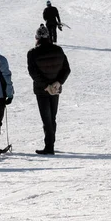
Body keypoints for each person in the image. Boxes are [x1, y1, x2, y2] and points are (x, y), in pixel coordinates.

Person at [27, 24, 71, 155]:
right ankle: (50, 143)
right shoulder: (58, 50)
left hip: (42, 90)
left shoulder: (32, 53)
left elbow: (33, 73)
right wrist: (58, 83)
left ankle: (49, 146)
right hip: (56, 89)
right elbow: (66, 69)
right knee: (52, 117)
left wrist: (46, 86)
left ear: (37, 38)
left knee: (46, 119)